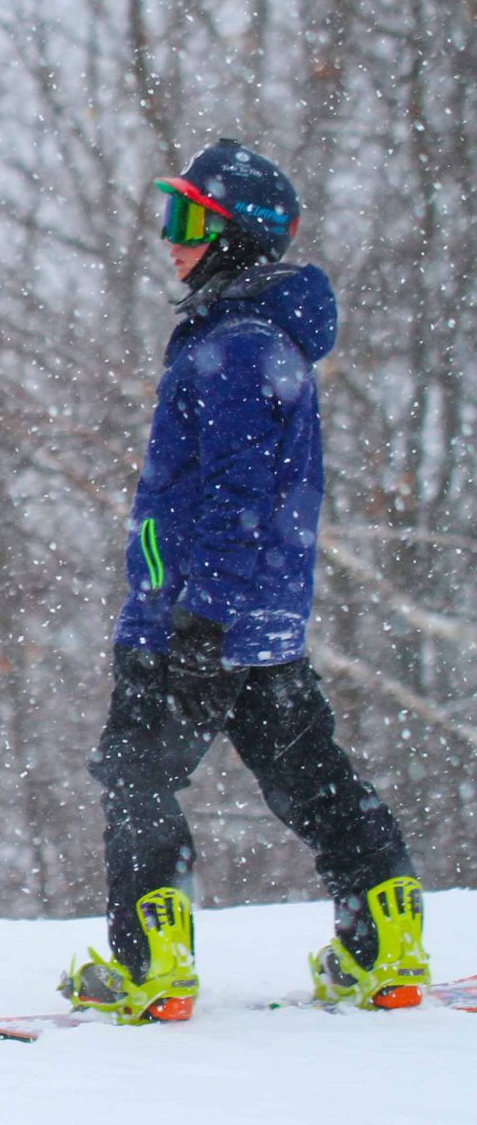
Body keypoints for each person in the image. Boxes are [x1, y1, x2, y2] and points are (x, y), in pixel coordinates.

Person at [63, 140, 429, 1022]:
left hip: (194, 618)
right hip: (259, 626)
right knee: (311, 777)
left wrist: (200, 619)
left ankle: (152, 966)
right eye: (171, 217)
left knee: (139, 777)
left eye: (190, 219)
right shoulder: (258, 344)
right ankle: (387, 944)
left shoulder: (233, 349)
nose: (172, 239)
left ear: (238, 236)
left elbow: (239, 497)